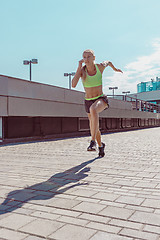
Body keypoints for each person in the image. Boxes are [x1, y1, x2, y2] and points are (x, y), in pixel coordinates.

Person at [72, 49, 123, 157]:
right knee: (94, 127)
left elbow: (108, 62)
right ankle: (101, 146)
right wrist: (78, 67)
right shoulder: (82, 71)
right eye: (84, 57)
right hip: (88, 101)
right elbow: (73, 84)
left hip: (101, 99)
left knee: (93, 110)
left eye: (89, 57)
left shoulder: (99, 67)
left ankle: (92, 142)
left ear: (94, 58)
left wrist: (115, 69)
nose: (86, 59)